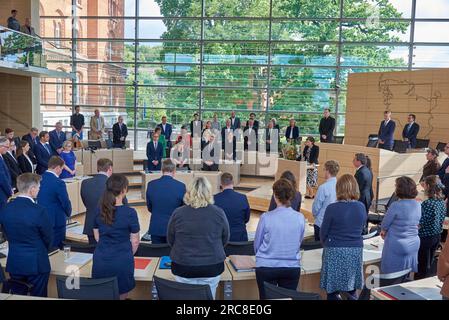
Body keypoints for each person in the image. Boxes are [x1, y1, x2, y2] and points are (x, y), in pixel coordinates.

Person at [167, 177, 230, 299]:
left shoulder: (178, 213)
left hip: (183, 266)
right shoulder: (219, 212)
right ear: (209, 192)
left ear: (189, 192)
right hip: (212, 266)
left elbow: (170, 239)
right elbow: (225, 238)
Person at [0, 173, 52, 297]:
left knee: (17, 297)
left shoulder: (5, 209)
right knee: (38, 297)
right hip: (37, 263)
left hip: (15, 262)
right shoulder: (39, 210)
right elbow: (48, 238)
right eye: (38, 187)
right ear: (32, 189)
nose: (39, 190)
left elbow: (6, 233)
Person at [254, 179, 305, 300]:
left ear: (275, 196)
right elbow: (299, 241)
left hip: (266, 266)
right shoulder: (300, 218)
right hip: (291, 267)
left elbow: (257, 245)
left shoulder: (266, 217)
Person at [92, 174, 140, 300]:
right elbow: (135, 242)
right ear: (124, 190)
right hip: (122, 260)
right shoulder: (130, 213)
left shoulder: (98, 210)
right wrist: (127, 253)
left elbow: (97, 237)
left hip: (101, 259)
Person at [319, 174, 367, 300]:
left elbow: (323, 233)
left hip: (334, 250)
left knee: (333, 291)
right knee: (351, 290)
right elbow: (361, 228)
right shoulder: (361, 207)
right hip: (355, 251)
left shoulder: (332, 208)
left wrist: (328, 244)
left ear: (339, 188)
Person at [380, 176, 421, 274]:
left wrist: (383, 231)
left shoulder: (396, 205)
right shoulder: (418, 204)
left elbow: (385, 224)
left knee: (391, 278)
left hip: (397, 244)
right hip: (414, 242)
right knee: (405, 275)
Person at [145, 159, 186, 244]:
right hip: (174, 228)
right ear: (174, 171)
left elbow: (150, 207)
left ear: (162, 170)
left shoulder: (151, 185)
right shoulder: (181, 186)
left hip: (156, 227)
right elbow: (183, 209)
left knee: (157, 255)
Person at [37, 156, 72, 249]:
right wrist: (69, 212)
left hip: (41, 218)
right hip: (57, 221)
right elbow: (65, 202)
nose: (62, 171)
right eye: (62, 168)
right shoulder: (58, 182)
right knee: (57, 248)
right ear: (57, 168)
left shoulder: (38, 179)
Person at [416, 175, 446, 280]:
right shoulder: (442, 202)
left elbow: (420, 222)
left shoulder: (427, 203)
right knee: (429, 263)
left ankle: (418, 284)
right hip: (436, 236)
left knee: (421, 266)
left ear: (428, 186)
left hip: (425, 237)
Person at [81, 159, 115, 245]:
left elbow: (85, 202)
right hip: (110, 226)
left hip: (91, 225)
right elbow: (122, 205)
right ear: (110, 168)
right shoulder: (113, 184)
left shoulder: (85, 183)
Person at [214, 173, 251, 242]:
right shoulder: (242, 198)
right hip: (240, 239)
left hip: (221, 240)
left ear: (221, 184)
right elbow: (247, 218)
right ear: (233, 183)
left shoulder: (215, 199)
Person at [312, 160, 340, 241]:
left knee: (317, 250)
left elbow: (316, 206)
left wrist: (315, 215)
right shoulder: (340, 186)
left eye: (324, 170)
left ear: (327, 171)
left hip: (321, 222)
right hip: (334, 223)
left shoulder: (323, 187)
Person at [0, 137, 13, 210]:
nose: (8, 149)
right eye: (7, 146)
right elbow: (2, 178)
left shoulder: (2, 156)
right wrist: (9, 191)